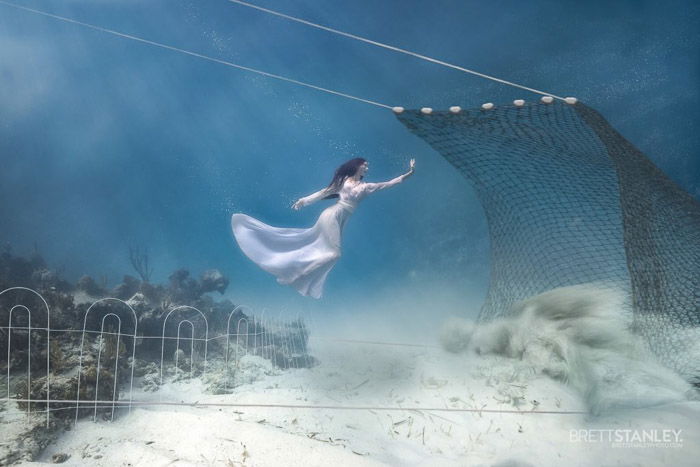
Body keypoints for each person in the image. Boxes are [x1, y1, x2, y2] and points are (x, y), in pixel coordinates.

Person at [231, 157, 416, 298]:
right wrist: (304, 201)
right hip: (332, 215)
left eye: (367, 166)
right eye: (364, 165)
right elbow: (324, 192)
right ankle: (293, 277)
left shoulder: (367, 186)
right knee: (334, 254)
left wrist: (408, 173)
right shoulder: (343, 183)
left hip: (341, 219)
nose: (367, 168)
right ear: (357, 166)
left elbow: (388, 184)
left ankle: (294, 274)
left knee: (324, 251)